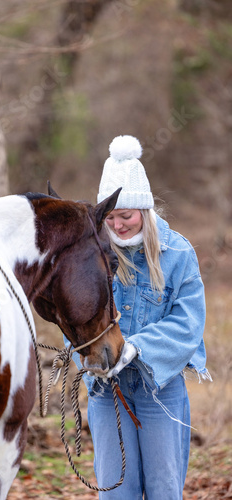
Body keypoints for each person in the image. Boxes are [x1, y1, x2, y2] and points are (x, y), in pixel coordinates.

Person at [69, 134, 212, 500]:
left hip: (160, 390)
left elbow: (189, 323)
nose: (117, 226)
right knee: (118, 491)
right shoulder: (92, 256)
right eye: (110, 217)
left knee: (164, 490)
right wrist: (89, 358)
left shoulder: (177, 252)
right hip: (106, 392)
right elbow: (76, 316)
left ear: (144, 210)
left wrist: (137, 348)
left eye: (126, 215)